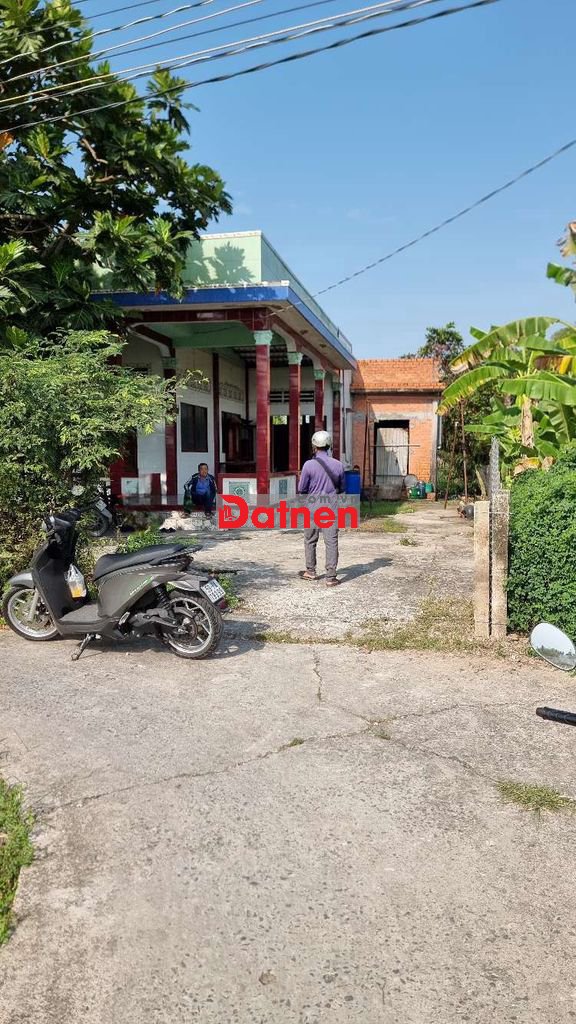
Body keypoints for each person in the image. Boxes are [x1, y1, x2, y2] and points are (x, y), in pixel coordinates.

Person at [297, 430, 345, 587]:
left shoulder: (308, 465)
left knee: (310, 540)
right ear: (329, 445)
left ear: (314, 446)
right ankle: (331, 577)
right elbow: (342, 488)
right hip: (331, 508)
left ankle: (311, 571)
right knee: (331, 542)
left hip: (312, 507)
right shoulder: (338, 465)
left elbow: (302, 488)